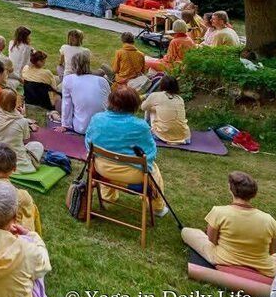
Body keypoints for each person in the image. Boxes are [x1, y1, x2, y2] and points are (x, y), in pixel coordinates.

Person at [84, 86, 169, 217]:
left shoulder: (97, 118)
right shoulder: (140, 126)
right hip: (132, 175)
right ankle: (157, 208)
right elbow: (151, 153)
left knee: (105, 156)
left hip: (101, 169)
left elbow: (88, 144)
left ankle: (107, 196)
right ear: (134, 105)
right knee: (153, 170)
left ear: (110, 101)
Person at [181, 171, 276, 277]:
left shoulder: (219, 212)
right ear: (254, 194)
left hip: (223, 258)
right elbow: (272, 251)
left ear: (230, 189)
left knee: (187, 232)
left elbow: (212, 240)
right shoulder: (269, 220)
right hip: (263, 265)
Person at [0, 89, 44, 173]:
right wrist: (22, 116)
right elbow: (25, 138)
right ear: (15, 104)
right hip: (18, 165)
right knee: (37, 145)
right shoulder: (22, 121)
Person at [61, 52, 111, 134]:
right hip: (103, 128)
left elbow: (67, 105)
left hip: (81, 128)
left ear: (72, 65)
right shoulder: (102, 81)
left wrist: (65, 125)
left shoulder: (68, 79)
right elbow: (109, 104)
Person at [141, 74, 190, 144]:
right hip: (184, 136)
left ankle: (145, 129)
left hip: (162, 135)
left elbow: (143, 107)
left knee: (150, 107)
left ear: (162, 85)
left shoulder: (155, 95)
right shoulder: (180, 99)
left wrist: (146, 98)